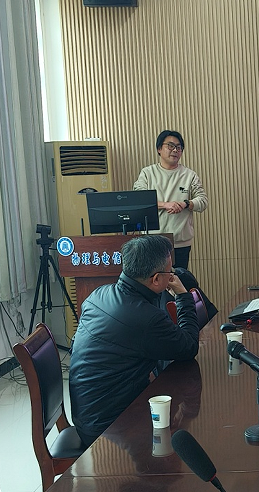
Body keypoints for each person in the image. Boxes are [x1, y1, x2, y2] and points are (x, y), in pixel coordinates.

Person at [69, 235, 200, 448]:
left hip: (87, 414)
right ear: (156, 279)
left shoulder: (99, 294)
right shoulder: (145, 318)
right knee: (191, 429)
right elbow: (189, 347)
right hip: (111, 425)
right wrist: (183, 296)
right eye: (170, 272)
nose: (172, 276)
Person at [133, 130, 208, 269]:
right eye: (171, 146)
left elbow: (203, 201)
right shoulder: (148, 173)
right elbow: (139, 200)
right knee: (154, 279)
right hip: (153, 240)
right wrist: (165, 205)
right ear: (159, 149)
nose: (175, 150)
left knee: (178, 278)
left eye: (179, 147)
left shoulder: (189, 175)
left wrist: (186, 204)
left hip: (180, 242)